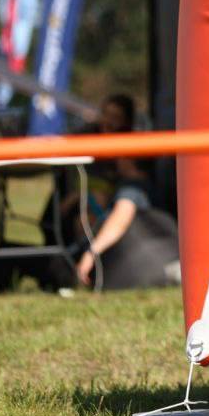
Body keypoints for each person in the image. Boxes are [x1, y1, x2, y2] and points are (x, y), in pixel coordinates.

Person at [65, 94, 155, 287]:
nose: (108, 122)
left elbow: (121, 216)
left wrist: (90, 254)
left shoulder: (135, 187)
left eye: (116, 118)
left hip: (122, 258)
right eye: (105, 115)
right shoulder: (91, 138)